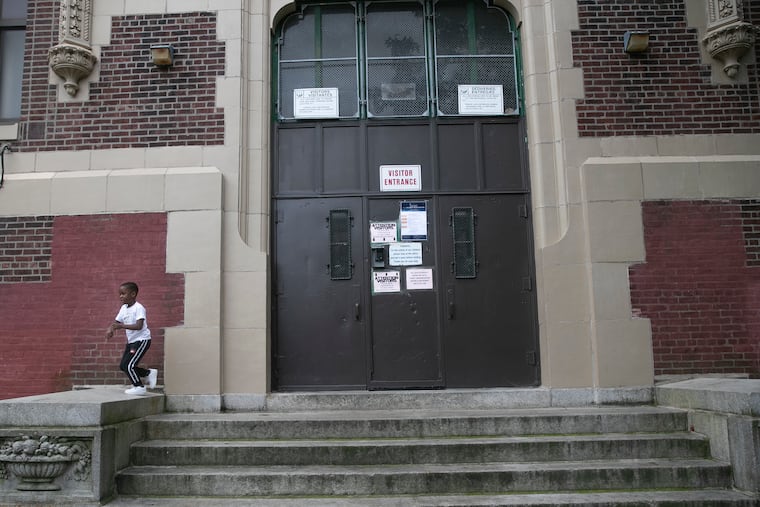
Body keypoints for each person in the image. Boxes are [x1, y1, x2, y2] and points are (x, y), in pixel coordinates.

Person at [105, 281, 158, 396]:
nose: (120, 296)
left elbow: (139, 326)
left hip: (142, 340)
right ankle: (148, 373)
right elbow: (117, 322)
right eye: (120, 294)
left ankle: (139, 387)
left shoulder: (139, 308)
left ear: (133, 294)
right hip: (132, 342)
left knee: (130, 365)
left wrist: (121, 326)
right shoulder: (124, 308)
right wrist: (111, 329)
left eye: (123, 294)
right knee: (123, 366)